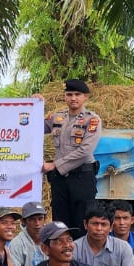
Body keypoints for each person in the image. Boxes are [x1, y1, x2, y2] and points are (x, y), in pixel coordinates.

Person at [41, 78, 101, 233]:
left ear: (85, 96)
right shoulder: (57, 117)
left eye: (77, 94)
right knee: (61, 224)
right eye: (69, 94)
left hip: (82, 178)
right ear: (64, 96)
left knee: (82, 224)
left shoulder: (92, 119)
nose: (73, 98)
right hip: (60, 181)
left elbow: (86, 150)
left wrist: (55, 165)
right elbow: (32, 126)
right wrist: (36, 105)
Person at [7, 201, 48, 266]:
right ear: (24, 221)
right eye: (32, 219)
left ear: (45, 219)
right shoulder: (16, 244)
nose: (37, 223)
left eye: (40, 219)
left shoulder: (52, 240)